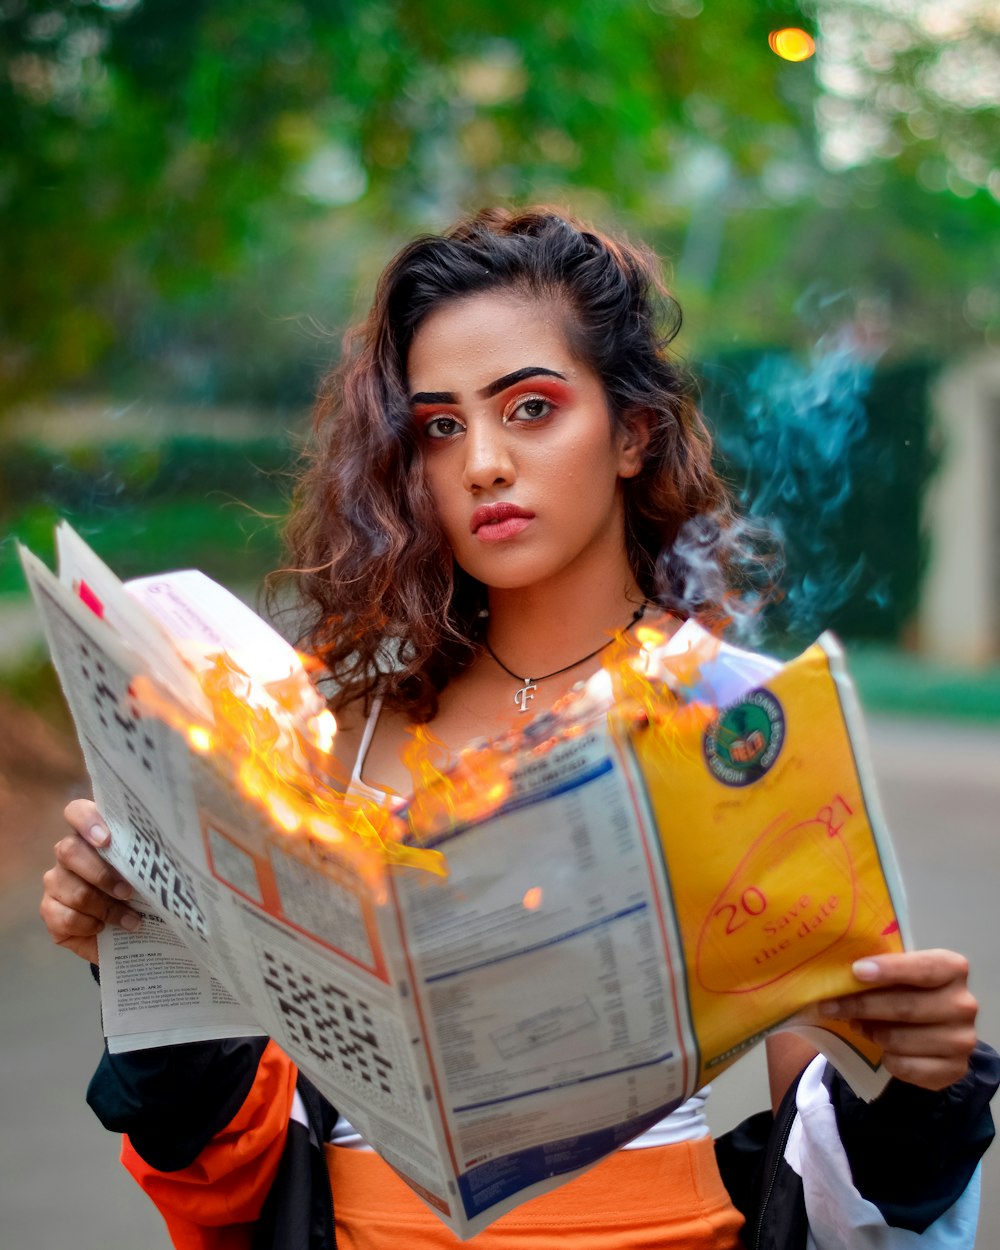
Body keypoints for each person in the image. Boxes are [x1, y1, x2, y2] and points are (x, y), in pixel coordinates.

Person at [40, 208, 996, 1250]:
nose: (483, 462)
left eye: (530, 407)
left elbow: (825, 1180)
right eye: (440, 426)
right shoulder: (329, 734)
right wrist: (132, 925)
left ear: (632, 431)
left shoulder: (740, 718)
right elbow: (230, 1144)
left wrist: (910, 1080)